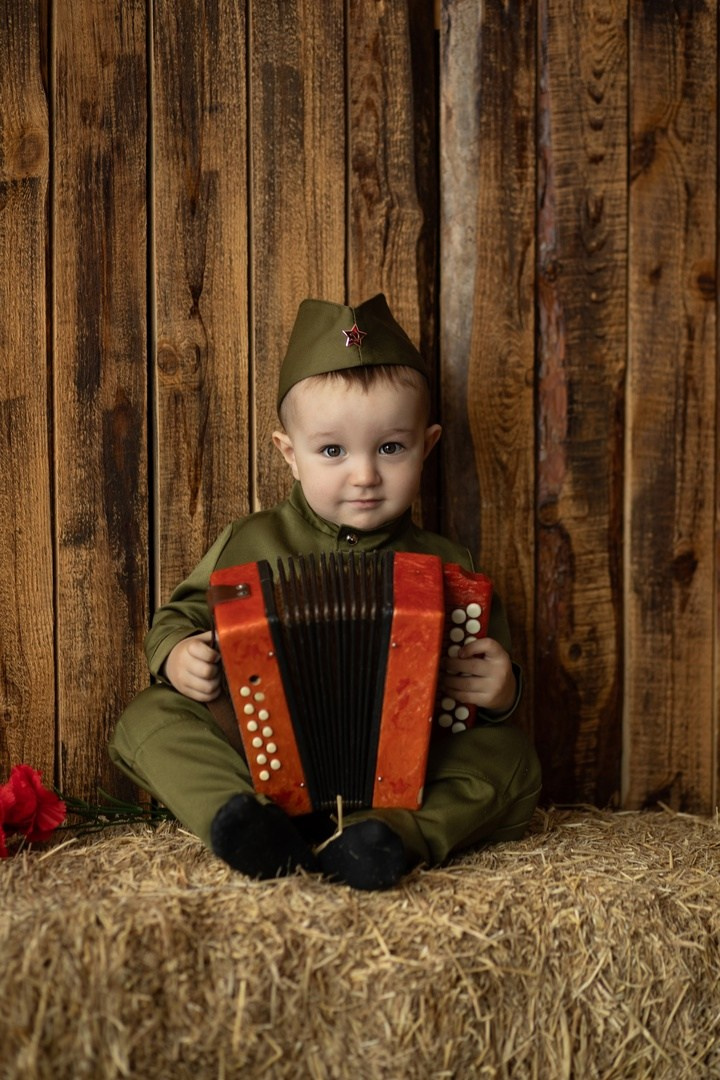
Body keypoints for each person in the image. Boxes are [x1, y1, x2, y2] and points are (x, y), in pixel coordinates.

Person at [110, 295, 541, 890]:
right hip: (257, 761)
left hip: (409, 779)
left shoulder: (448, 566)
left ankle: (385, 838)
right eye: (333, 451)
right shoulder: (249, 541)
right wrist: (178, 654)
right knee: (146, 719)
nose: (364, 475)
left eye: (390, 448)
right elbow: (177, 616)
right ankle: (241, 822)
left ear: (428, 446)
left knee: (511, 759)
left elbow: (492, 670)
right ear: (291, 454)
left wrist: (502, 690)